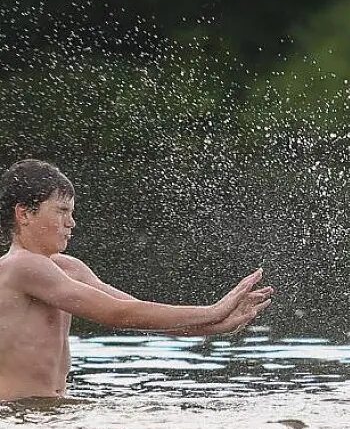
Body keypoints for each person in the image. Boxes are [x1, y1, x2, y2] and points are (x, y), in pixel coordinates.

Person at [0, 159, 274, 400]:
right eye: (61, 211)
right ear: (24, 213)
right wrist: (213, 310)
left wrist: (216, 326)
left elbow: (137, 311)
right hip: (17, 416)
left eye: (71, 213)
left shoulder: (69, 268)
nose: (71, 223)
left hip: (47, 412)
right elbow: (117, 314)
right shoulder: (21, 266)